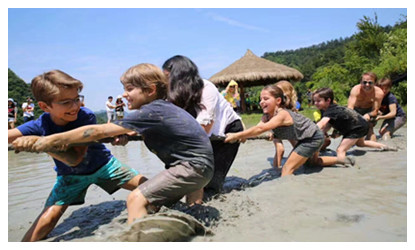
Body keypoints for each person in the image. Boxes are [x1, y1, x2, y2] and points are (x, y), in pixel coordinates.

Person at [29, 63, 214, 225]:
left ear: (150, 91)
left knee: (135, 198)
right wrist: (126, 133)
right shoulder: (162, 109)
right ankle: (191, 221)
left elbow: (98, 131)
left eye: (129, 89)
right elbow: (134, 131)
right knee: (155, 203)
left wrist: (49, 140)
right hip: (203, 167)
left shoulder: (150, 111)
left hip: (191, 167)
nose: (124, 94)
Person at [8, 70, 145, 242]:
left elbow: (75, 159)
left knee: (152, 189)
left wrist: (42, 144)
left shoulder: (85, 116)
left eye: (77, 99)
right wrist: (31, 140)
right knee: (38, 231)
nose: (75, 106)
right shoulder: (40, 124)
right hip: (70, 177)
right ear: (44, 106)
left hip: (105, 166)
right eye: (66, 102)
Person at [162, 55, 243, 197]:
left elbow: (206, 125)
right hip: (196, 134)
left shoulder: (206, 87)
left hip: (225, 131)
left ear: (179, 75)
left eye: (167, 77)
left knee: (211, 185)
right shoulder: (172, 95)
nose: (165, 82)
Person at [225, 84, 325, 177]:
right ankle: (339, 160)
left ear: (278, 101)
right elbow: (257, 128)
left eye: (266, 99)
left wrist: (236, 135)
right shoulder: (267, 116)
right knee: (312, 164)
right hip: (305, 138)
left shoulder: (282, 114)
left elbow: (260, 129)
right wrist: (243, 136)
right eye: (261, 99)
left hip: (313, 137)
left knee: (287, 169)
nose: (261, 102)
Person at [313, 87, 396, 166]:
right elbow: (328, 124)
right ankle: (386, 147)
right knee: (361, 143)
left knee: (340, 150)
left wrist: (311, 131)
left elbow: (322, 123)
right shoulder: (333, 108)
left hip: (356, 128)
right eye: (314, 101)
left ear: (328, 100)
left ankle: (346, 164)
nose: (315, 103)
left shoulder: (330, 110)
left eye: (318, 101)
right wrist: (323, 132)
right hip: (362, 124)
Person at [348, 72, 384, 141]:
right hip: (356, 110)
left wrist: (368, 115)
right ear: (360, 82)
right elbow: (350, 108)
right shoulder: (355, 90)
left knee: (369, 128)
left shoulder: (378, 93)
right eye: (364, 82)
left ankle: (371, 141)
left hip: (370, 111)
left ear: (375, 83)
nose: (367, 85)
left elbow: (375, 110)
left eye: (370, 83)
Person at [271, 80, 298, 169]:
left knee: (297, 147)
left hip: (288, 129)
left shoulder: (292, 106)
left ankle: (293, 163)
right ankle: (276, 169)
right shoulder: (275, 103)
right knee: (280, 149)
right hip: (276, 128)